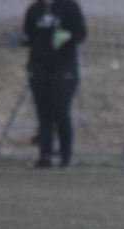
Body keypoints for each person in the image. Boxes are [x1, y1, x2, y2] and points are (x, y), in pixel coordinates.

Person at [21, 0, 86, 169]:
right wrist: (20, 39)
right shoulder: (34, 9)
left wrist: (68, 36)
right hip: (39, 66)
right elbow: (29, 36)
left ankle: (65, 156)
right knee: (43, 112)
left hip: (64, 66)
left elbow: (81, 33)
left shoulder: (69, 7)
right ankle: (45, 156)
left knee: (61, 109)